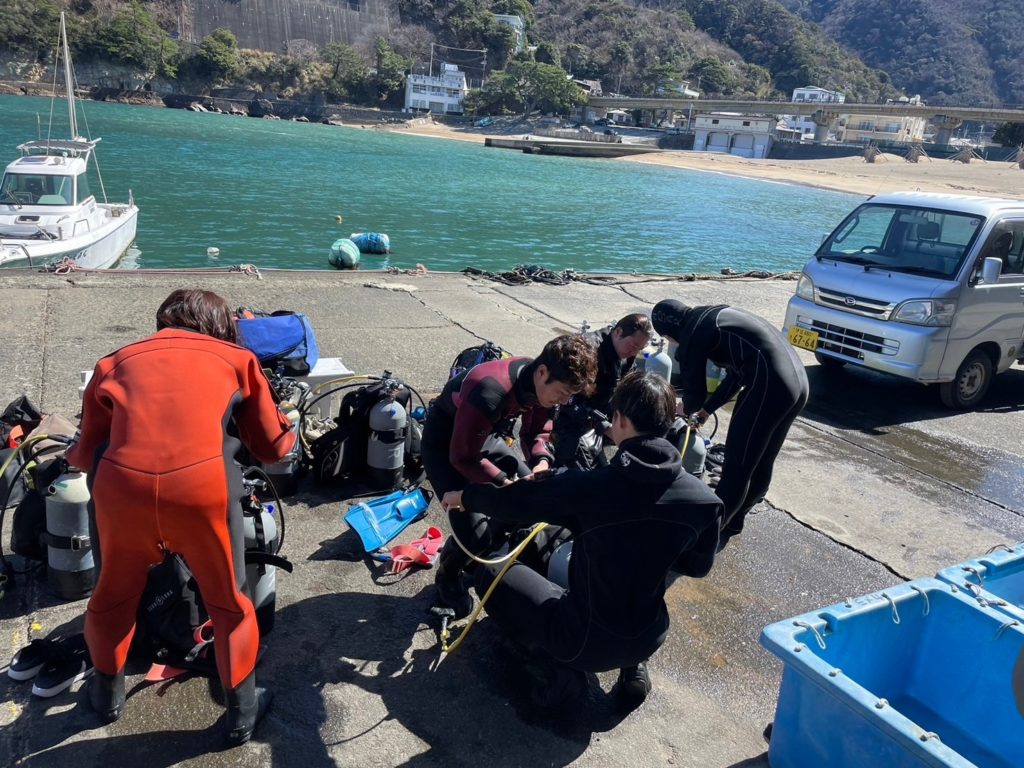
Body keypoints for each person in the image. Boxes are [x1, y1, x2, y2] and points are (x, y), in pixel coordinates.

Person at [66, 289, 296, 746]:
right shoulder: (239, 360)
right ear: (220, 325)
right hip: (202, 491)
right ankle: (241, 716)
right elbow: (273, 448)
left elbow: (84, 454)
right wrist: (287, 424)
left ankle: (105, 699)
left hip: (121, 490)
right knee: (228, 604)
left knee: (113, 595)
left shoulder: (114, 361)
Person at [441, 370, 723, 707]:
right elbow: (696, 566)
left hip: (583, 643)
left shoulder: (590, 488)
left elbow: (516, 502)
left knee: (491, 573)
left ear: (620, 420)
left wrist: (466, 497)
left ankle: (551, 665)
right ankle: (633, 668)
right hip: (650, 634)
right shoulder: (704, 501)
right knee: (629, 582)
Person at [422, 334, 597, 618]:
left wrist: (541, 462)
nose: (565, 401)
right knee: (478, 535)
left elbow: (536, 432)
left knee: (530, 503)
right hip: (446, 447)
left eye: (570, 396)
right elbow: (463, 458)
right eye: (563, 393)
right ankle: (449, 571)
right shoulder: (490, 389)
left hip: (485, 436)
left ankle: (486, 543)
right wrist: (505, 484)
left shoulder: (540, 382)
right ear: (543, 372)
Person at [651, 298, 809, 550]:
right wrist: (706, 411)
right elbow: (737, 375)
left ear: (668, 335)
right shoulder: (710, 316)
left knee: (738, 467)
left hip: (769, 384)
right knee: (761, 460)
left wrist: (684, 408)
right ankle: (734, 522)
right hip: (798, 383)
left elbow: (694, 393)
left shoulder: (691, 333)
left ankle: (706, 538)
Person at [552, 313, 652, 469]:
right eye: (633, 346)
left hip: (602, 417)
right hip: (569, 420)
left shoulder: (626, 354)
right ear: (618, 332)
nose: (634, 352)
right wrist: (603, 426)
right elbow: (565, 399)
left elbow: (627, 389)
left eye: (639, 349)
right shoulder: (586, 352)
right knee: (584, 472)